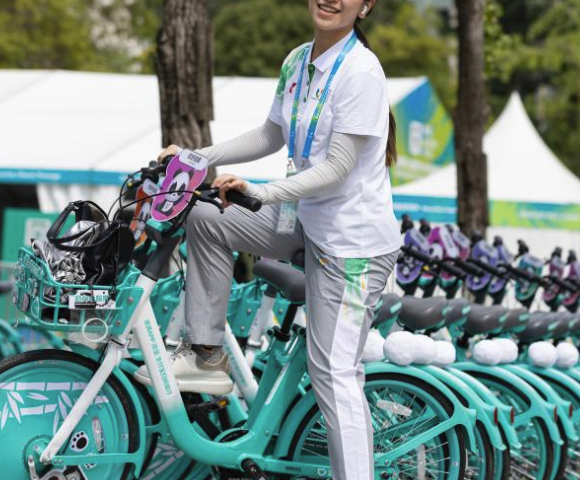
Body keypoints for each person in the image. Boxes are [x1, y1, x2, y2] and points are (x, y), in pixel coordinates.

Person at [135, 1, 400, 478]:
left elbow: (338, 170)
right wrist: (195, 157)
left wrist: (261, 193)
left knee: (335, 375)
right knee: (205, 217)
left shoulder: (362, 72)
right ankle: (205, 355)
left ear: (366, 6)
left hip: (352, 245)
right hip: (303, 220)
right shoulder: (298, 61)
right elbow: (268, 136)